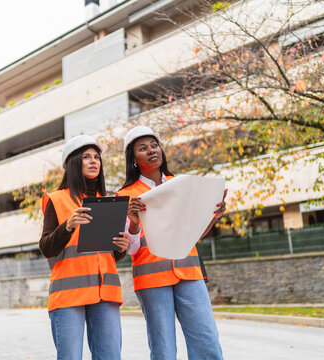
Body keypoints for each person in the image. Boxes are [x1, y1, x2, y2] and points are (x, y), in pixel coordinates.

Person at [117, 126, 226, 360]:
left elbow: (195, 233)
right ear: (133, 159)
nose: (151, 151)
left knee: (207, 342)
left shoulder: (182, 184)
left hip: (189, 272)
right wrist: (134, 223)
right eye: (142, 148)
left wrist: (213, 216)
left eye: (154, 145)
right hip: (152, 278)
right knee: (163, 349)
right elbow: (131, 248)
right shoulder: (125, 195)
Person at [39, 135, 133, 360]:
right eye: (87, 157)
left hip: (106, 293)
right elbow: (46, 247)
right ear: (73, 163)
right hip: (68, 296)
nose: (94, 161)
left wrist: (121, 247)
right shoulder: (56, 200)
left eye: (97, 157)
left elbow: (106, 254)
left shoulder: (108, 201)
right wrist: (68, 225)